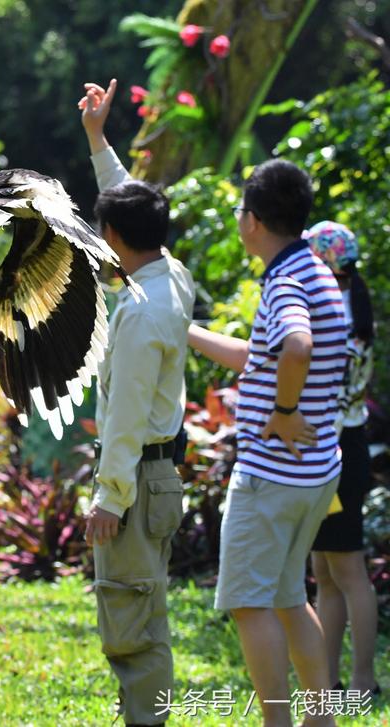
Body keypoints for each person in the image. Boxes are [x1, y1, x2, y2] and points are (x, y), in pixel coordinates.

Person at [188, 162, 348, 727]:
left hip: (273, 474)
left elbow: (297, 346)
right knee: (285, 598)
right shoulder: (315, 268)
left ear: (252, 221)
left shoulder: (284, 282)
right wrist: (184, 327)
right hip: (314, 471)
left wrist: (281, 414)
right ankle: (320, 719)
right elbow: (264, 355)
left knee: (249, 604)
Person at [78, 78, 195, 726]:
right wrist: (99, 141)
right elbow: (129, 206)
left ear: (114, 238)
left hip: (139, 477)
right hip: (158, 475)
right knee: (141, 608)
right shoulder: (168, 273)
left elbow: (123, 411)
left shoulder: (144, 314)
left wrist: (108, 495)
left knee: (132, 621)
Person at [307, 221, 379, 695]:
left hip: (337, 452)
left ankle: (363, 680)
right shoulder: (352, 308)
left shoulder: (338, 323)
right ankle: (330, 679)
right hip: (331, 450)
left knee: (348, 570)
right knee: (325, 572)